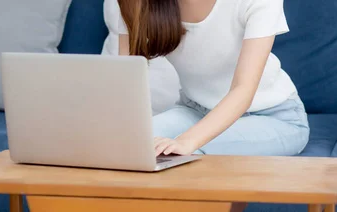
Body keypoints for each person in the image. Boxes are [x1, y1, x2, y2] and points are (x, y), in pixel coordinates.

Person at [108, 0, 310, 156]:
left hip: (272, 117)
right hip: (195, 110)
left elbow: (243, 89)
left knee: (184, 156)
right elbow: (127, 82)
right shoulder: (138, 3)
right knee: (126, 144)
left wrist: (186, 141)